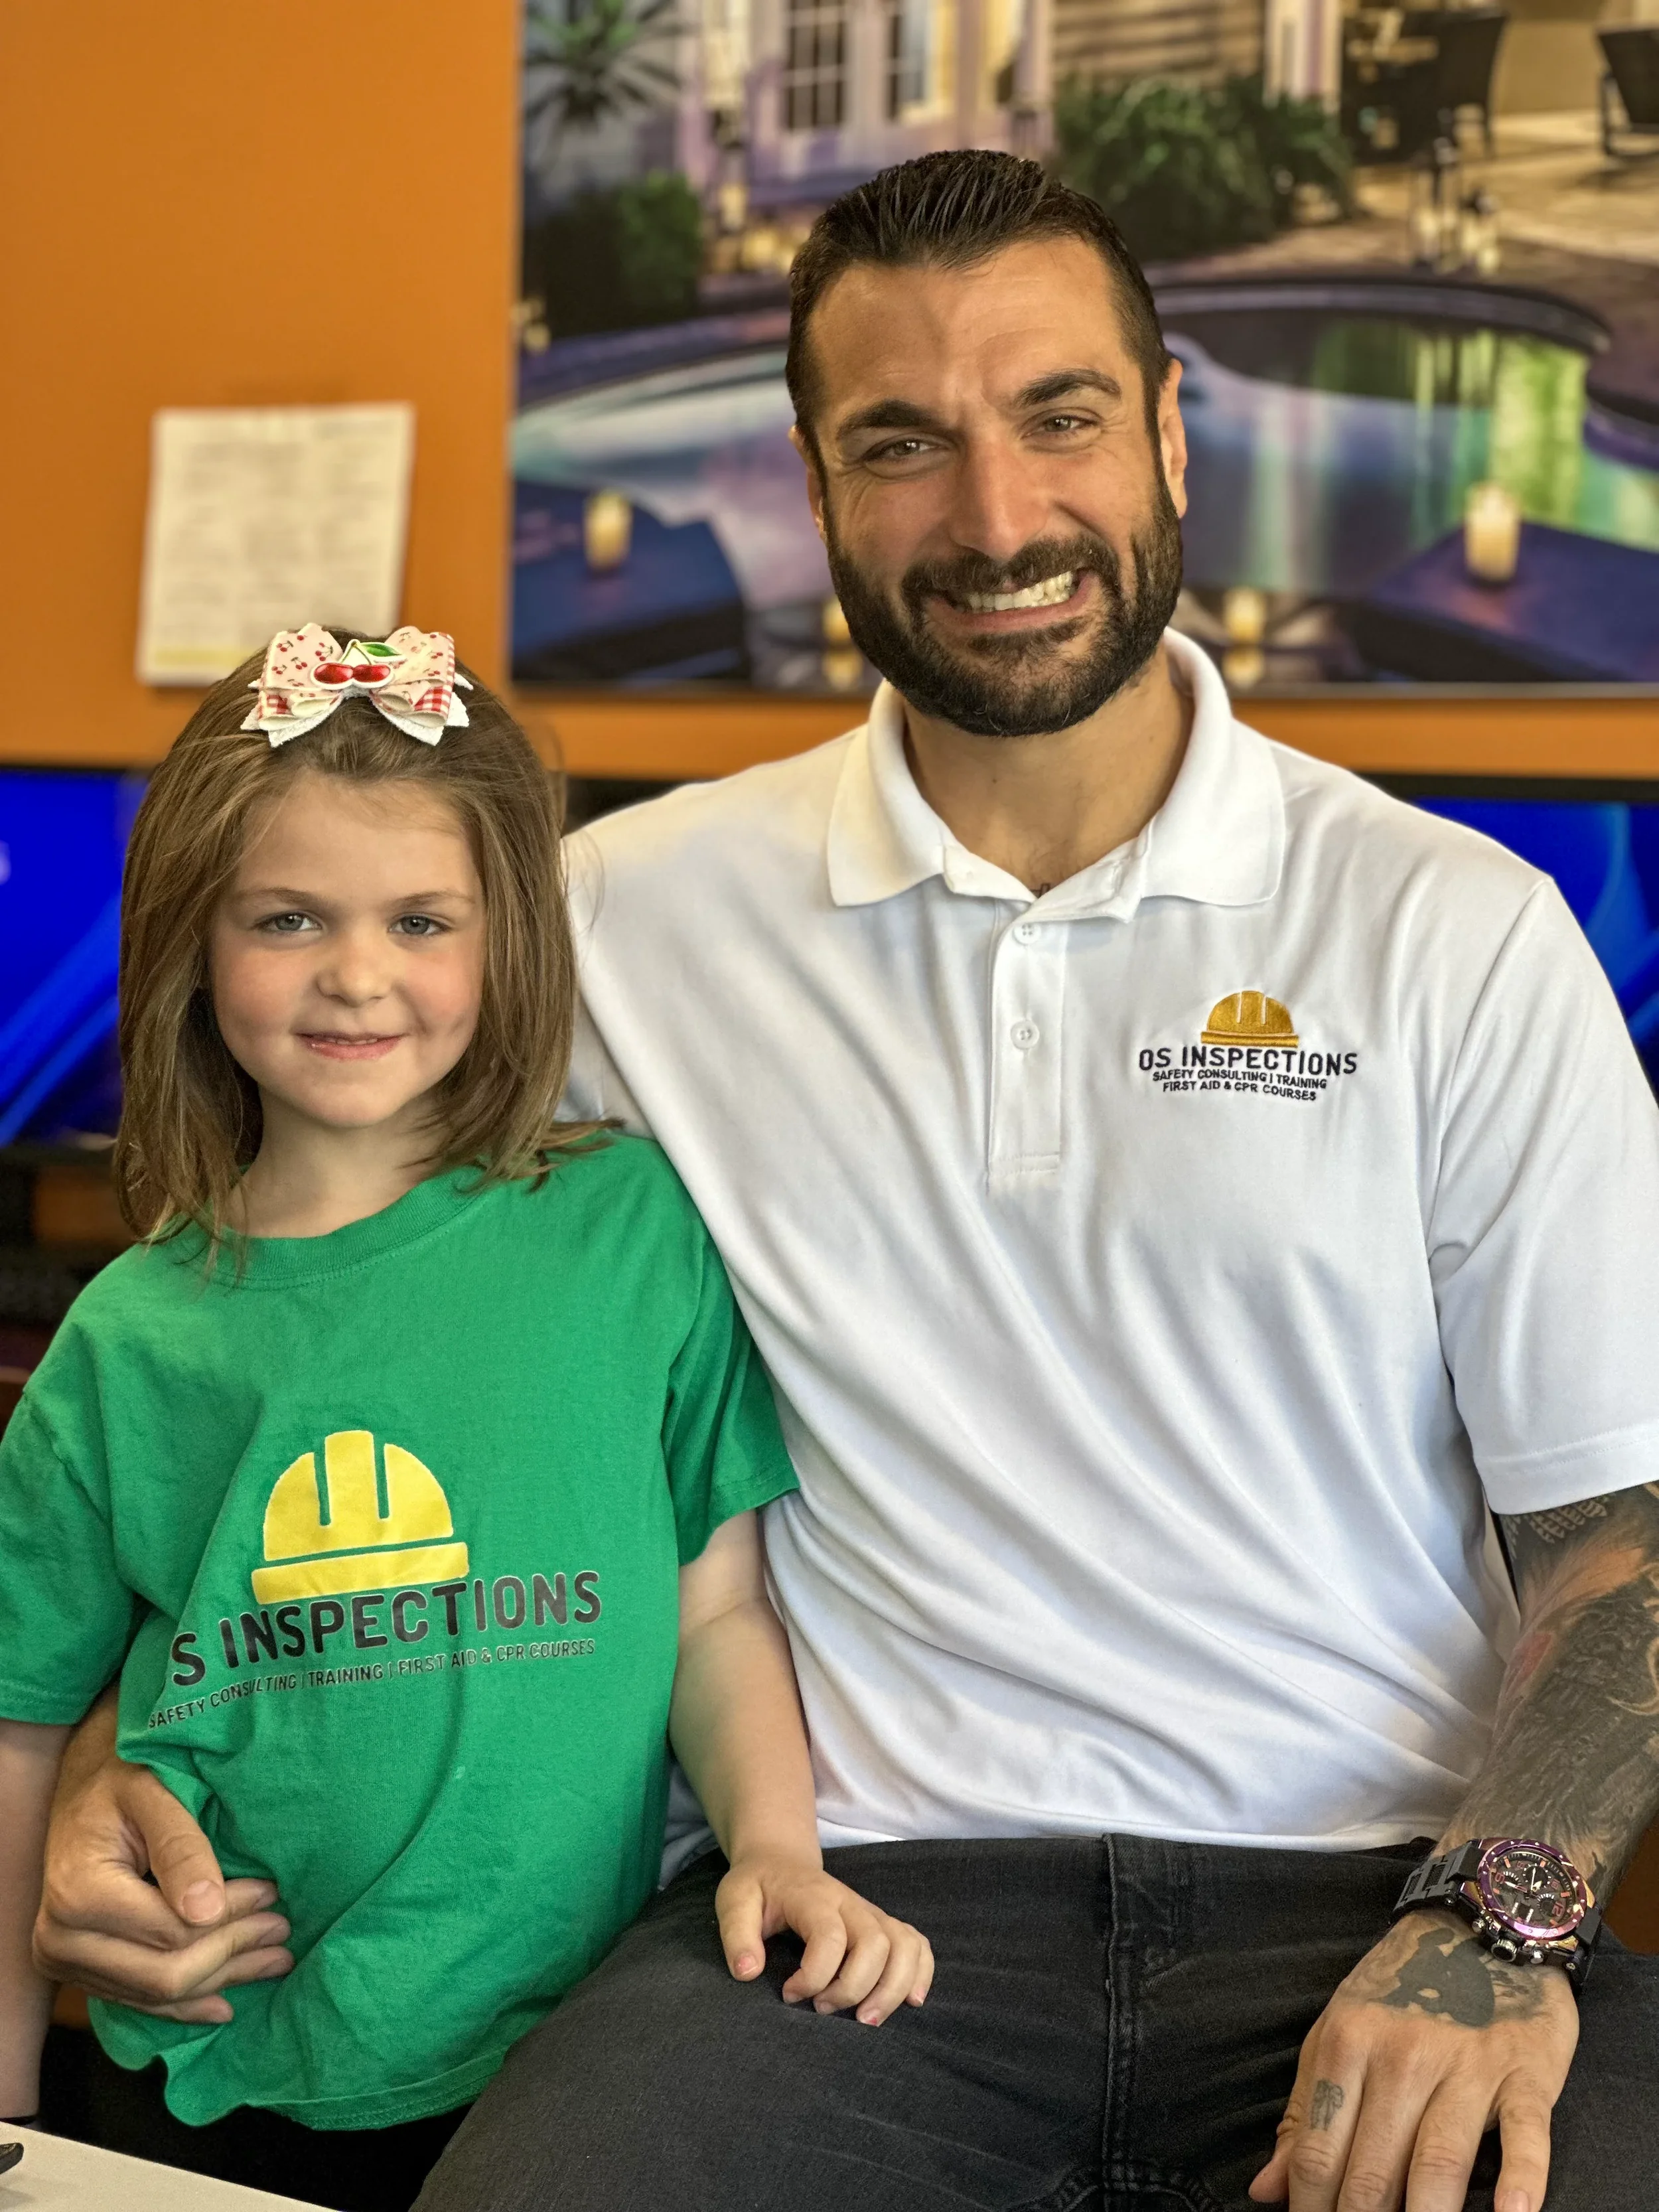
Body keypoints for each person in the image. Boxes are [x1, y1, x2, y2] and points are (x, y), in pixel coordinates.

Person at [34, 151, 1659, 2212]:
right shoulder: (610, 924)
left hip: (1372, 1900)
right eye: (901, 443)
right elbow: (319, 1348)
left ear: (1167, 428)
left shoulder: (1455, 934)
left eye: (1057, 415)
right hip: (829, 1924)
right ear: (812, 488)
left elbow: (1624, 1531)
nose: (993, 518)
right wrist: (114, 1774)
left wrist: (1493, 1928)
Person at [0, 628, 930, 2212]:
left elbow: (714, 1608)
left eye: (419, 921)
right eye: (287, 919)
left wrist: (777, 1845)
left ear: (506, 937)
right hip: (212, 2056)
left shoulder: (631, 1227)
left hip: (580, 2058)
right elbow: (22, 1730)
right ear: (191, 941)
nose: (357, 974)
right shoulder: (128, 1336)